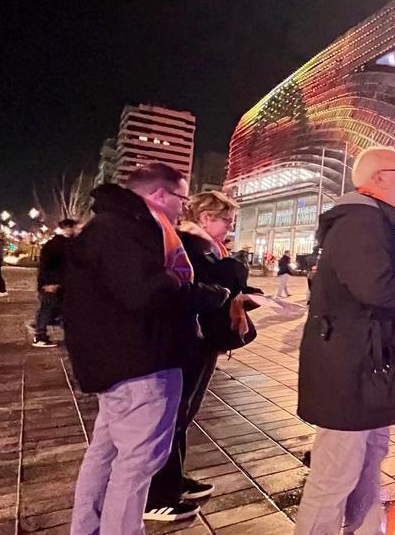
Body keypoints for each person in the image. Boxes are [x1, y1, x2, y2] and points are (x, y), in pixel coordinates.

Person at [65, 163, 232, 532]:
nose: (181, 208)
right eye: (180, 199)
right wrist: (211, 295)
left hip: (122, 362)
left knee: (107, 456)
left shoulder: (117, 226)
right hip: (141, 362)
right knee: (136, 465)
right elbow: (150, 291)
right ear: (159, 195)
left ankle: (88, 528)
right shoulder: (124, 230)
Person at [294, 147, 395, 534]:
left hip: (367, 366)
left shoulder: (376, 221)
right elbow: (374, 288)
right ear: (377, 178)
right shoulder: (361, 221)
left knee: (369, 459)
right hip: (348, 369)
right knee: (335, 473)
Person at [146, 191, 256, 521]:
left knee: (184, 412)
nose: (230, 226)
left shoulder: (205, 247)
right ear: (206, 218)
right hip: (186, 342)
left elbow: (226, 287)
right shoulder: (191, 245)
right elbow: (225, 279)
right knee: (174, 415)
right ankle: (157, 495)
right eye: (227, 220)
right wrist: (234, 281)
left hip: (201, 340)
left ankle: (173, 479)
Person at [31, 219, 79, 347]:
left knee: (60, 309)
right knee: (47, 308)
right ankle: (39, 335)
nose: (76, 230)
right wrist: (49, 283)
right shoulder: (55, 245)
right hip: (51, 285)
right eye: (74, 228)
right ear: (67, 228)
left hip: (59, 284)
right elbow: (46, 265)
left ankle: (42, 330)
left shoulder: (65, 243)